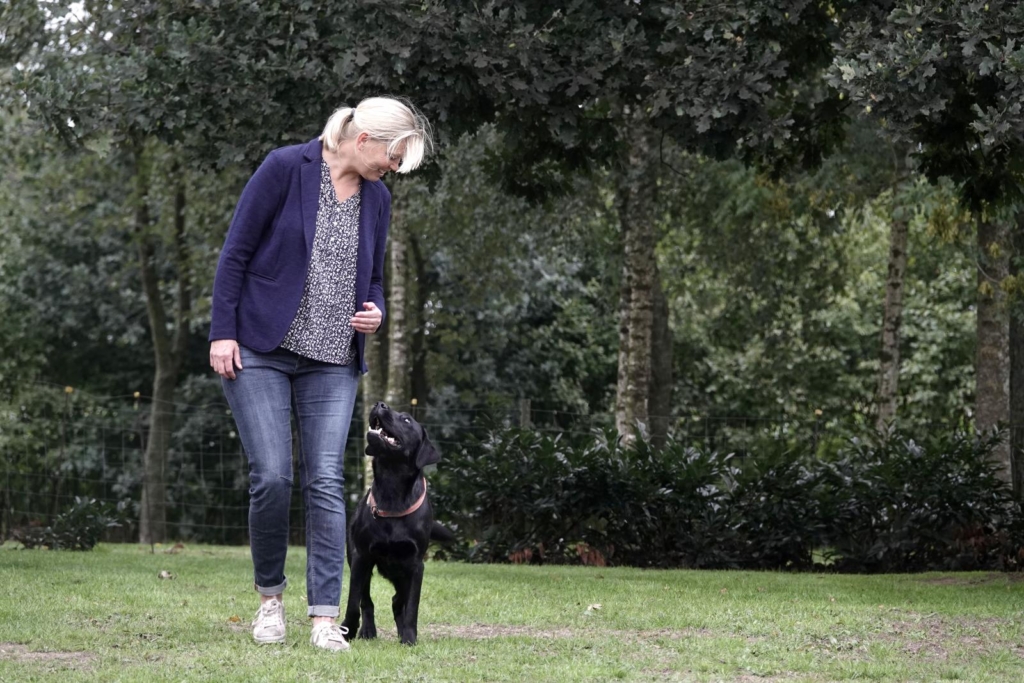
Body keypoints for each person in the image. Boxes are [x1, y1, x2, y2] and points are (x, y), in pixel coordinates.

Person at [209, 96, 432, 651]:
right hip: (258, 347)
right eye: (392, 158)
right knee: (273, 477)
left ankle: (325, 618)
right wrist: (221, 332)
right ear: (365, 142)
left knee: (327, 482)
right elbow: (235, 254)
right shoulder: (285, 168)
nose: (393, 171)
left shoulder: (376, 199)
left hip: (333, 360)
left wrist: (375, 310)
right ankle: (269, 603)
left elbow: (373, 277)